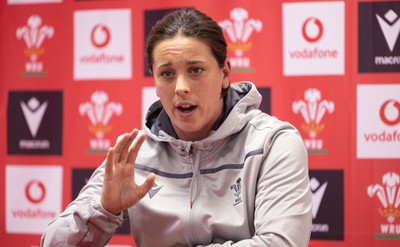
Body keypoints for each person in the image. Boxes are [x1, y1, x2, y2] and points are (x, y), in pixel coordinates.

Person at [41, 8, 312, 247]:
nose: (181, 87)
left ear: (225, 74)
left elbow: (280, 243)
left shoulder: (272, 143)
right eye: (167, 73)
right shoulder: (136, 154)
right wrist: (105, 209)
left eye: (195, 70)